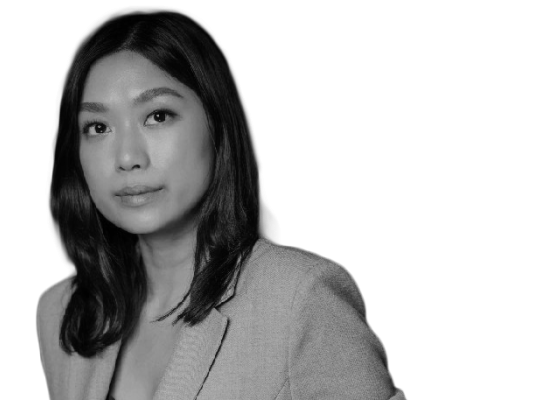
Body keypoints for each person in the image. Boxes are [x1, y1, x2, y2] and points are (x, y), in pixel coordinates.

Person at [37, 5, 405, 400]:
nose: (127, 157)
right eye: (98, 127)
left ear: (217, 123)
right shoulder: (60, 311)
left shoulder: (299, 299)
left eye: (158, 116)